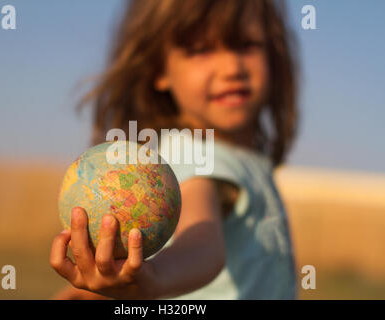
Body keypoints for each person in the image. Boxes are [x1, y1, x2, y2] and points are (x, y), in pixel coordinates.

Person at [50, 0, 300, 300]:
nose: (232, 67)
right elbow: (201, 243)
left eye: (246, 45)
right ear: (159, 70)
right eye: (200, 50)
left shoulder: (238, 156)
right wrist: (154, 277)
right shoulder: (196, 154)